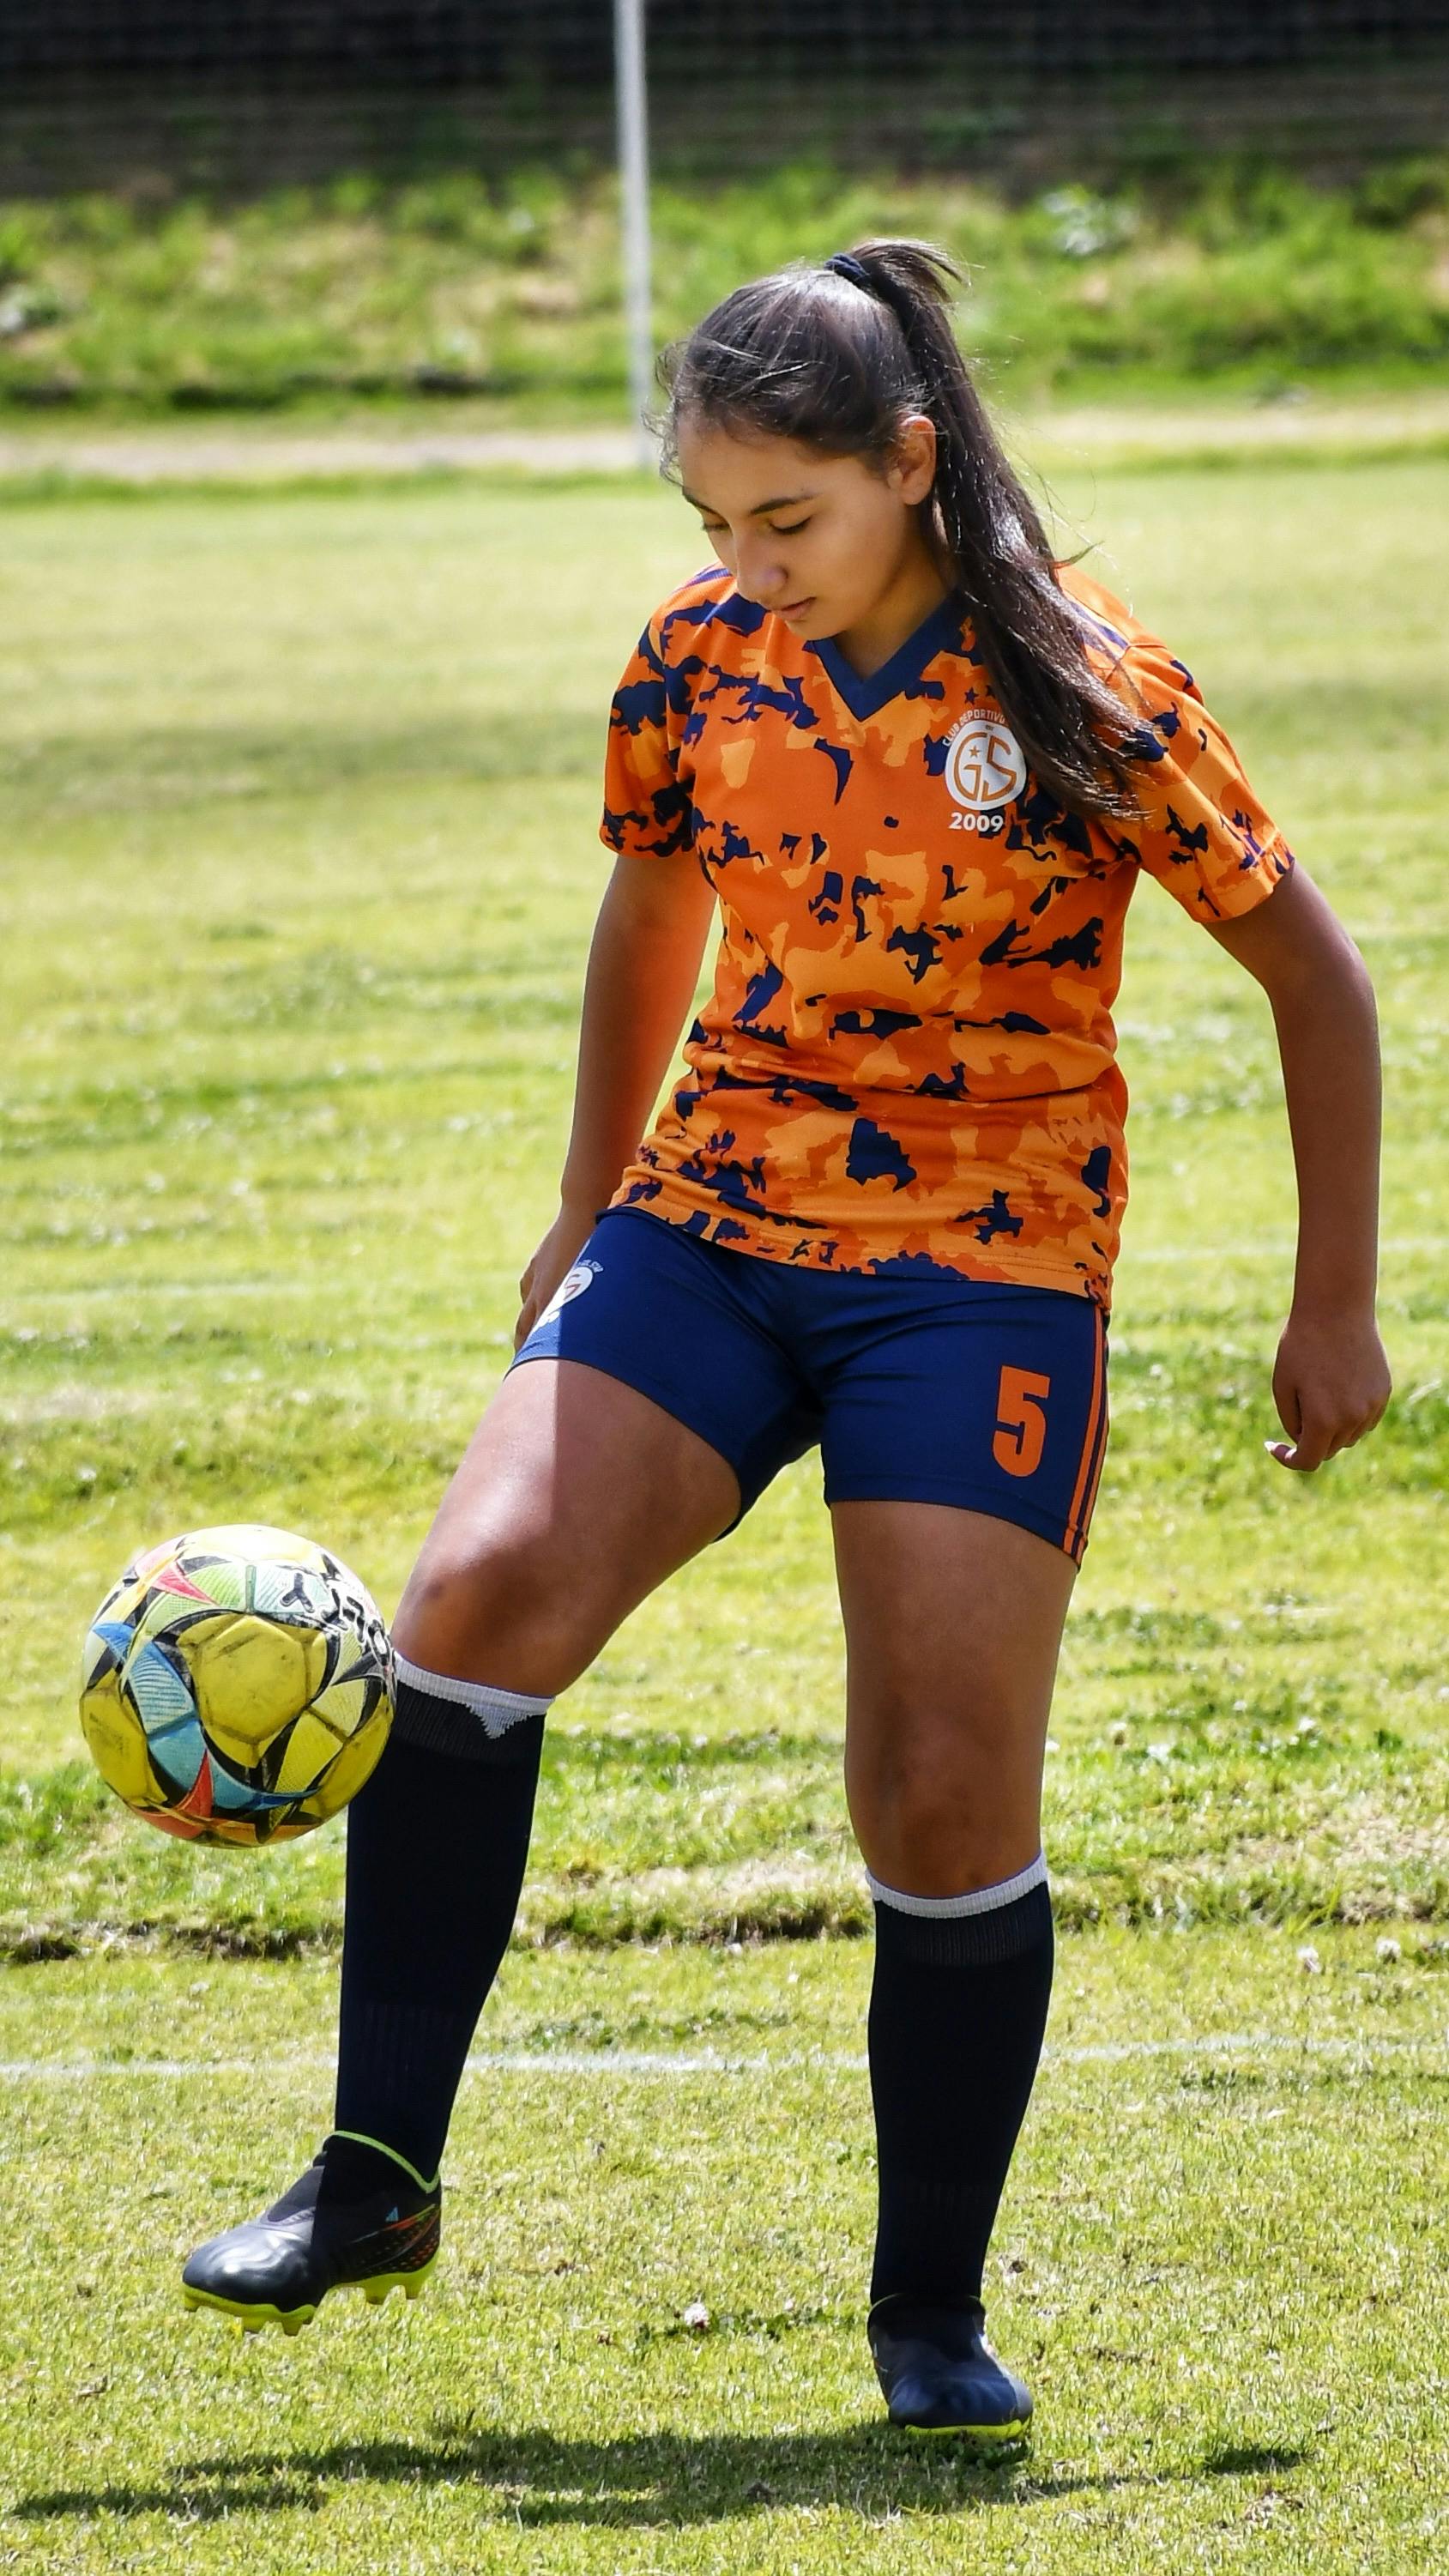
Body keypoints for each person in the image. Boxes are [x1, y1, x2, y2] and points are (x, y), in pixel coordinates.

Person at [182, 241, 1390, 2435]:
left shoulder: (1087, 693)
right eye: (711, 527)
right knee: (468, 1605)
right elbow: (649, 898)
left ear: (908, 465)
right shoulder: (694, 664)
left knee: (935, 1792)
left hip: (984, 1264)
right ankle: (372, 2177)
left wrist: (1332, 1306)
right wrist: (581, 1198)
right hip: (713, 1223)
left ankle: (926, 2317)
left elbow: (1318, 981)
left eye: (786, 523)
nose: (747, 570)